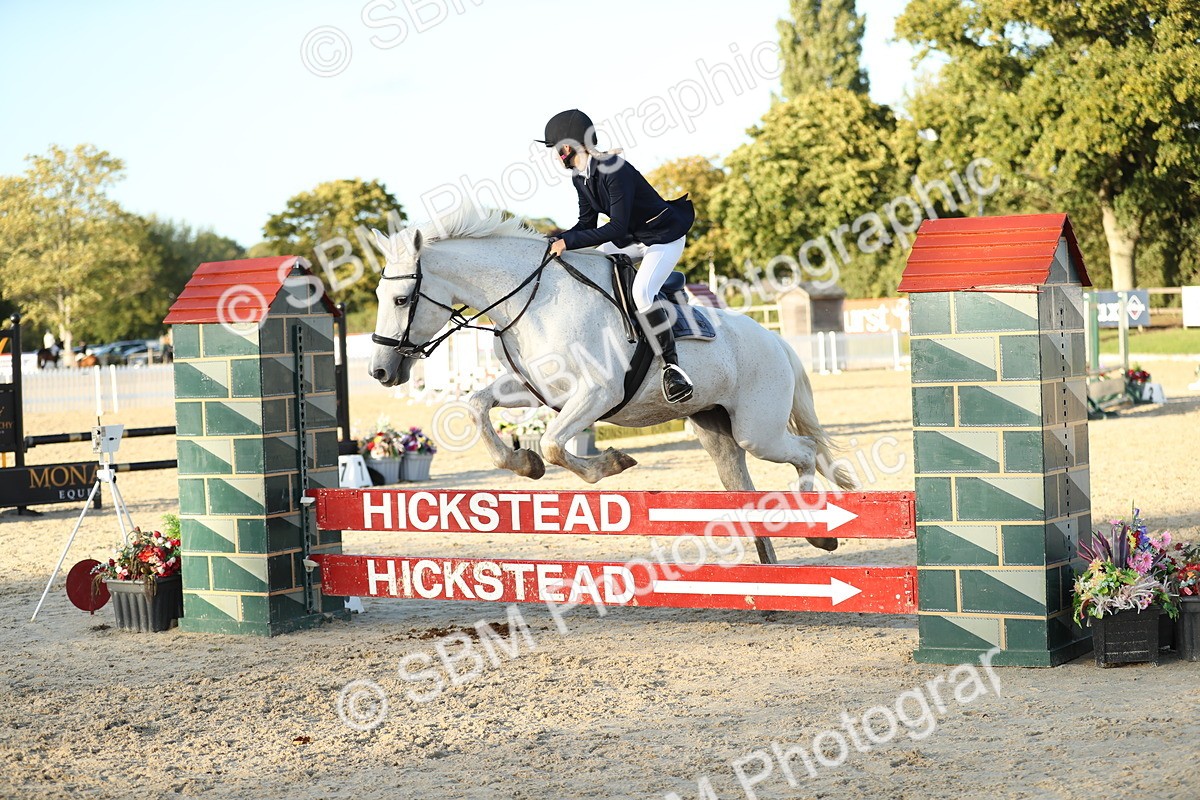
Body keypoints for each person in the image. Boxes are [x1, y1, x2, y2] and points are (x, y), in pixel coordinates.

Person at [538, 109, 696, 404]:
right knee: (592, 263)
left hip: (662, 237)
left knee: (642, 292)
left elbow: (616, 226)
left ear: (567, 147)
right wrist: (556, 240)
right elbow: (586, 224)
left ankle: (672, 367)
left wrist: (568, 242)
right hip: (632, 239)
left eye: (554, 149)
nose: (554, 155)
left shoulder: (614, 168)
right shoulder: (580, 177)